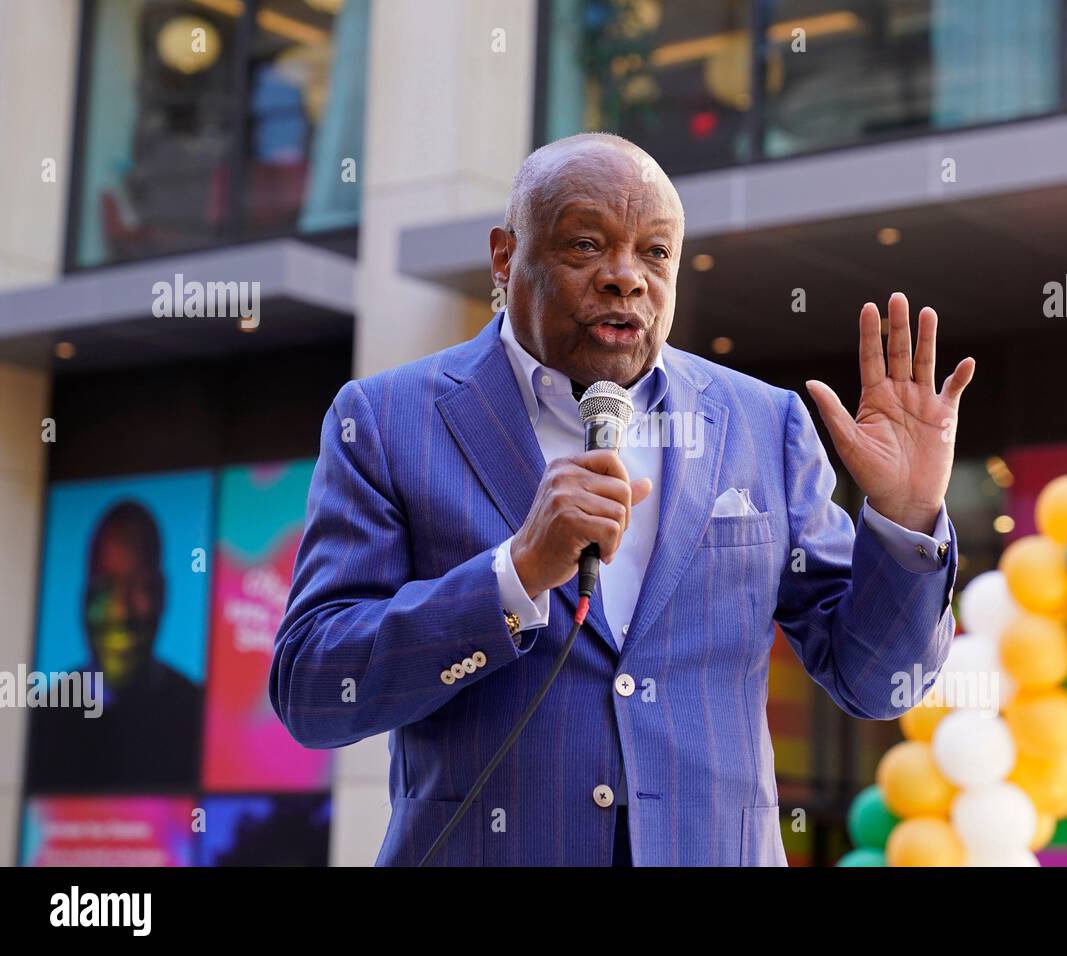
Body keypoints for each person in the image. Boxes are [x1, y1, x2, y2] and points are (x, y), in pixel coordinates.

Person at [271, 132, 975, 866]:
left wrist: (905, 517)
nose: (624, 278)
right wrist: (513, 575)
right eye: (584, 244)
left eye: (655, 253)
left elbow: (878, 683)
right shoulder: (387, 421)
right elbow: (316, 688)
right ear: (505, 257)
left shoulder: (762, 423)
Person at [27, 501, 201, 791]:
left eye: (139, 586)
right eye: (105, 587)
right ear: (83, 601)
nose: (121, 612)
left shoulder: (198, 713)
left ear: (161, 594)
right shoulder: (45, 718)